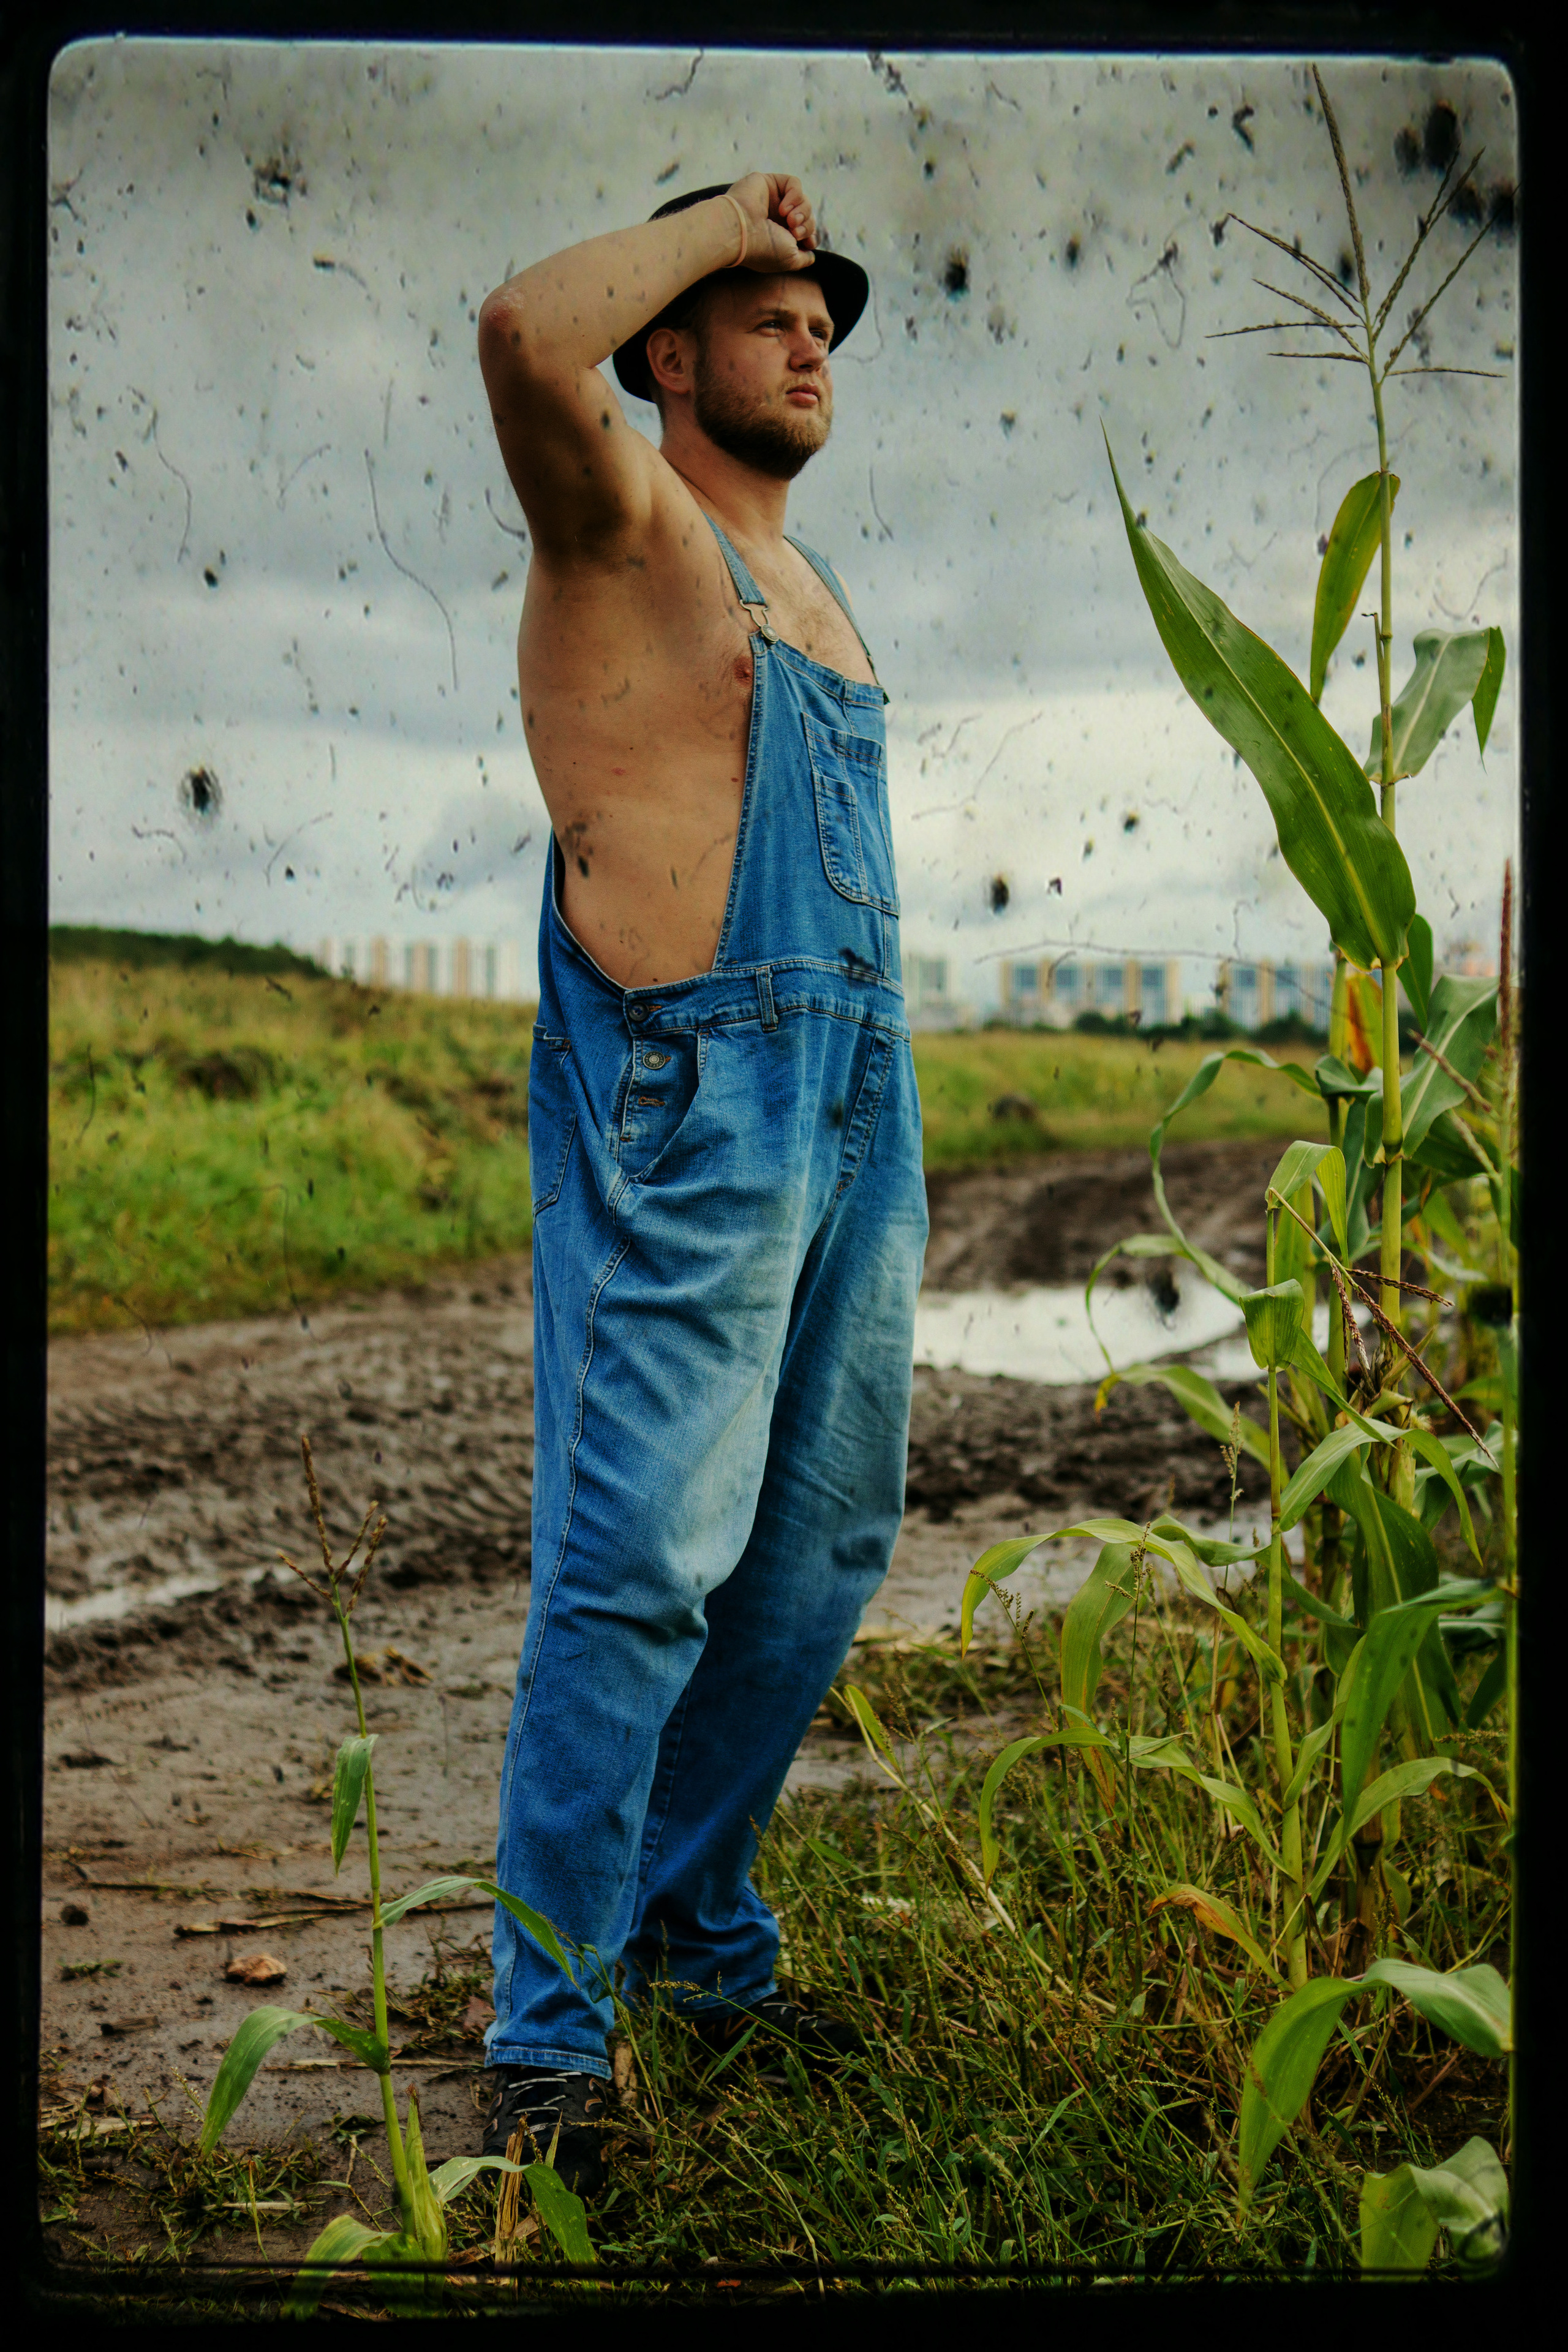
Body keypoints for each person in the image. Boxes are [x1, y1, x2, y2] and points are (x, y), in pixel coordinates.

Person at [473, 172, 928, 2190]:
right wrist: (715, 203)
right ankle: (548, 2048)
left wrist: (764, 248)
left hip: (852, 1094)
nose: (812, 326)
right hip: (701, 1088)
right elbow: (514, 334)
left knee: (819, 1550)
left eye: (822, 308)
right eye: (765, 306)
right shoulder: (627, 527)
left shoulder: (812, 587)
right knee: (641, 1564)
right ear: (668, 348)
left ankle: (700, 1938)